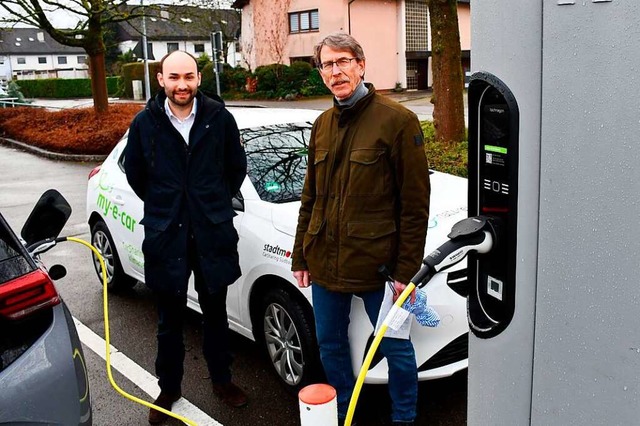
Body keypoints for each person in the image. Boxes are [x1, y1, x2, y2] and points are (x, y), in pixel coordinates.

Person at [291, 32, 431, 426]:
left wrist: (406, 272)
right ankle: (342, 412)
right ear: (320, 73)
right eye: (327, 65)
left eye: (342, 62)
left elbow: (415, 206)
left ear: (361, 64)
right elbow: (310, 198)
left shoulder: (398, 121)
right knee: (330, 345)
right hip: (325, 264)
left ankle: (404, 417)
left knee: (396, 348)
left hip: (379, 268)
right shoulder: (322, 124)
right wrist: (302, 255)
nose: (335, 72)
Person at [124, 50, 248, 425]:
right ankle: (170, 387)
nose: (182, 85)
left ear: (198, 78)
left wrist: (207, 201)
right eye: (174, 77)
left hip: (212, 233)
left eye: (189, 77)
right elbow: (136, 175)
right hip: (167, 236)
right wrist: (169, 205)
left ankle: (222, 380)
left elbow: (235, 169)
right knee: (169, 320)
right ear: (161, 79)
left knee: (215, 316)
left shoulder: (219, 119)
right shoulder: (144, 123)